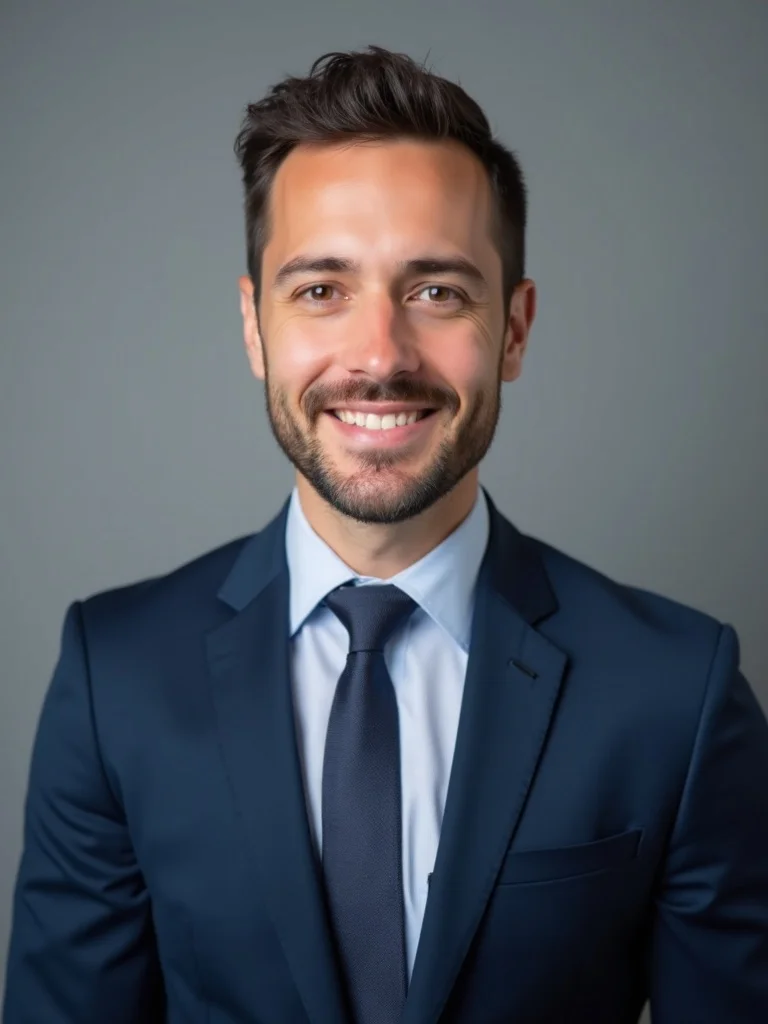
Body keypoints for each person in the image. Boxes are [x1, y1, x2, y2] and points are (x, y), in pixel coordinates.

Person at [4, 44, 768, 1024]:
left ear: (517, 329)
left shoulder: (678, 694)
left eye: (437, 290)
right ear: (254, 327)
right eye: (321, 289)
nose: (378, 355)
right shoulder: (116, 680)